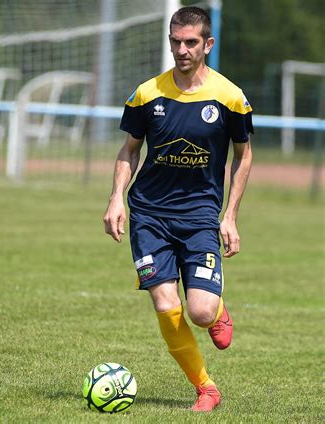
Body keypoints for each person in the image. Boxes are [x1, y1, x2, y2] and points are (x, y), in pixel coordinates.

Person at [103, 6, 253, 412]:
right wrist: (117, 197)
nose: (182, 50)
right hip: (149, 215)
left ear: (208, 44)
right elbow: (128, 151)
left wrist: (230, 215)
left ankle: (217, 309)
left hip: (200, 215)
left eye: (190, 43)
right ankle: (206, 388)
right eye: (175, 42)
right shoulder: (146, 93)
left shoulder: (229, 97)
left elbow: (243, 156)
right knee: (167, 305)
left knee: (200, 312)